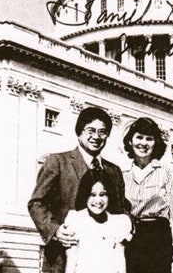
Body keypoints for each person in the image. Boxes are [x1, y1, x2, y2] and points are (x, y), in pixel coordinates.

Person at [28, 107, 130, 273]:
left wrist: (128, 226)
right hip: (63, 259)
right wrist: (55, 231)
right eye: (90, 130)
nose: (96, 137)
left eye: (102, 132)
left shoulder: (114, 171)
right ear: (79, 132)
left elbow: (122, 208)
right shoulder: (58, 162)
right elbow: (36, 203)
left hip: (104, 261)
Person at [122, 117, 173, 273]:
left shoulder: (166, 172)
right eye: (139, 137)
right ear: (130, 141)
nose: (143, 143)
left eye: (149, 139)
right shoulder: (122, 174)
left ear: (155, 143)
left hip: (158, 240)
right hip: (130, 239)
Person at [63, 171, 133, 273]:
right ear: (85, 195)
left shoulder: (118, 222)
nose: (98, 200)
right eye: (93, 195)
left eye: (102, 195)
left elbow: (120, 260)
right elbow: (71, 260)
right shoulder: (76, 220)